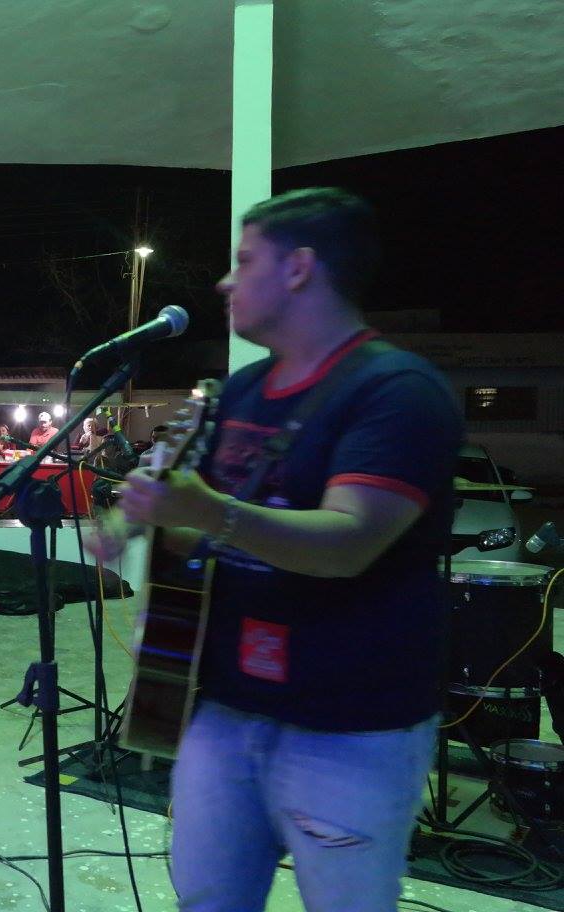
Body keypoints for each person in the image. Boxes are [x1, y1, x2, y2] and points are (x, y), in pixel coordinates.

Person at [90, 188, 461, 912]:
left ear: (298, 269)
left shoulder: (397, 392)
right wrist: (133, 520)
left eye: (244, 260)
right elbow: (185, 502)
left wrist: (205, 510)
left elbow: (348, 542)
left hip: (349, 727)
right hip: (223, 709)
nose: (224, 282)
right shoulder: (241, 390)